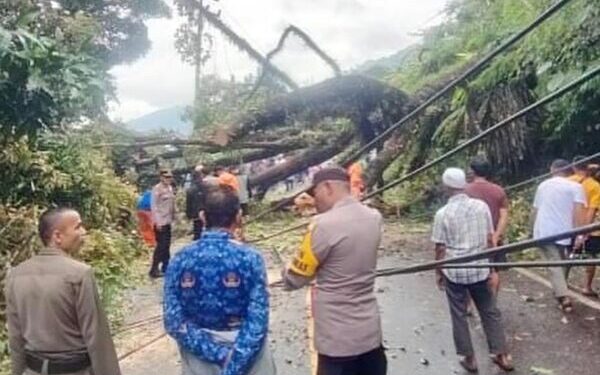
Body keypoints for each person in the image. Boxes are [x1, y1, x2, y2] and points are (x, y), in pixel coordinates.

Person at [282, 167, 387, 375]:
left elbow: (295, 279)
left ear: (328, 187)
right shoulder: (374, 217)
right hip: (370, 335)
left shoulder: (323, 225)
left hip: (336, 342)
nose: (314, 200)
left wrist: (286, 269)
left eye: (316, 193)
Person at [164, 185, 275, 375]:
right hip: (249, 360)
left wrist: (217, 354)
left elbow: (174, 321)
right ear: (238, 217)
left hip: (199, 361)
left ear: (202, 217)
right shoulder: (250, 258)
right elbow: (258, 320)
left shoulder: (180, 259)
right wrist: (234, 361)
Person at [4, 208, 121, 375]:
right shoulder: (80, 273)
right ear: (57, 236)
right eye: (78, 227)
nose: (84, 232)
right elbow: (96, 337)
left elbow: (15, 338)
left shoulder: (16, 275)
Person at [432, 168, 513, 373]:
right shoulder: (481, 207)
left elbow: (440, 248)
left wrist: (439, 273)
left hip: (455, 273)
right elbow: (489, 238)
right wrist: (493, 267)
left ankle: (469, 358)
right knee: (490, 311)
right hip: (480, 269)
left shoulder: (442, 214)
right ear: (463, 184)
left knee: (458, 315)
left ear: (446, 188)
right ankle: (501, 354)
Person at [532, 159, 587, 312]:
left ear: (552, 169)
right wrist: (580, 235)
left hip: (543, 230)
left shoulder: (543, 185)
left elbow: (535, 210)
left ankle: (560, 293)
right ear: (569, 170)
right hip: (565, 232)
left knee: (558, 263)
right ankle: (564, 297)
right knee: (556, 263)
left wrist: (530, 231)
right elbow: (578, 212)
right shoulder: (577, 187)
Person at [465, 157, 509, 294]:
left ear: (473, 171)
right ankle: (492, 301)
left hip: (470, 236)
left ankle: (469, 305)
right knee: (493, 269)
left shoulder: (465, 190)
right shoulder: (498, 190)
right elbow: (504, 215)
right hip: (492, 238)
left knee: (469, 269)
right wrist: (496, 236)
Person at [569, 156, 600, 296]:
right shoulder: (594, 186)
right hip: (590, 229)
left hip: (569, 227)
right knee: (591, 257)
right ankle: (586, 286)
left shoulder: (568, 181)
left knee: (567, 255)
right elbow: (592, 210)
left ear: (574, 167)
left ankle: (561, 282)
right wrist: (584, 231)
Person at [150, 169, 176, 278]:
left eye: (170, 177)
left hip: (168, 220)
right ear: (161, 177)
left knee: (167, 245)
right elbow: (154, 206)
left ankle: (166, 266)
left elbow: (172, 204)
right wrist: (157, 221)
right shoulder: (157, 189)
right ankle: (154, 269)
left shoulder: (170, 188)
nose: (168, 179)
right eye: (166, 177)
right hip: (160, 221)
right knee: (161, 246)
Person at [186, 165, 207, 240]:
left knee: (197, 230)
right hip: (205, 212)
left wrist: (188, 214)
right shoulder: (205, 186)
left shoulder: (190, 189)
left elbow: (188, 203)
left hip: (195, 214)